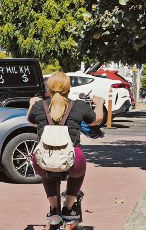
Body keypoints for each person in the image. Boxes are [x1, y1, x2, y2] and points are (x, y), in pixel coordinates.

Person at [27, 71, 104, 221]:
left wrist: (32, 103)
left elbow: (31, 120)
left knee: (47, 169)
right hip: (73, 161)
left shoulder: (38, 106)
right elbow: (97, 120)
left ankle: (53, 208)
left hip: (42, 161)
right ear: (69, 88)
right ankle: (68, 208)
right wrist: (99, 103)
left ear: (48, 89)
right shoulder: (79, 105)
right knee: (79, 171)